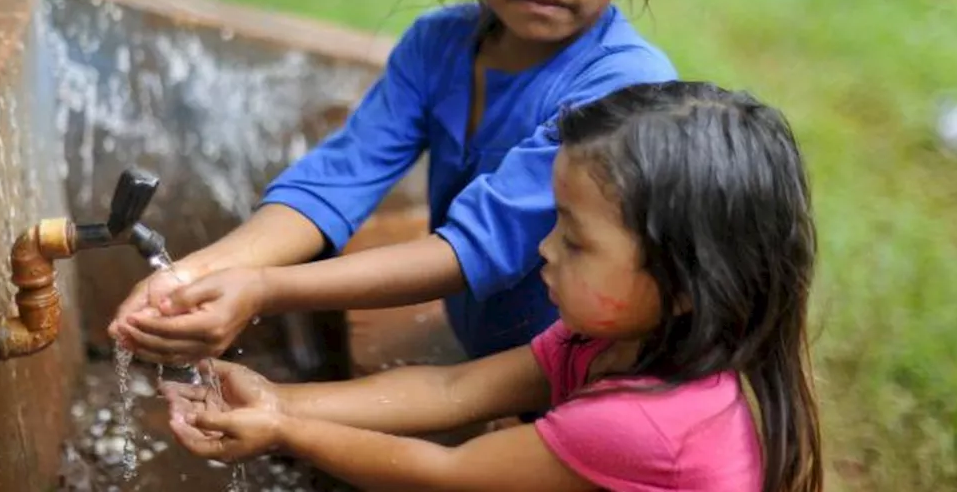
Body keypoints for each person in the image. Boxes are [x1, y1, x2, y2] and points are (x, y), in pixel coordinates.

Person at [110, 0, 676, 368]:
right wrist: (198, 271)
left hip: (585, 379)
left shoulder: (624, 90)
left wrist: (264, 288)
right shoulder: (438, 47)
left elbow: (477, 249)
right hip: (490, 355)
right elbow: (339, 178)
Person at [163, 81, 824, 492]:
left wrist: (284, 429)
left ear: (685, 282)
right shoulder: (615, 340)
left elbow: (441, 473)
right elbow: (454, 388)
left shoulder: (645, 422)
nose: (544, 248)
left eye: (575, 238)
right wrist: (281, 399)